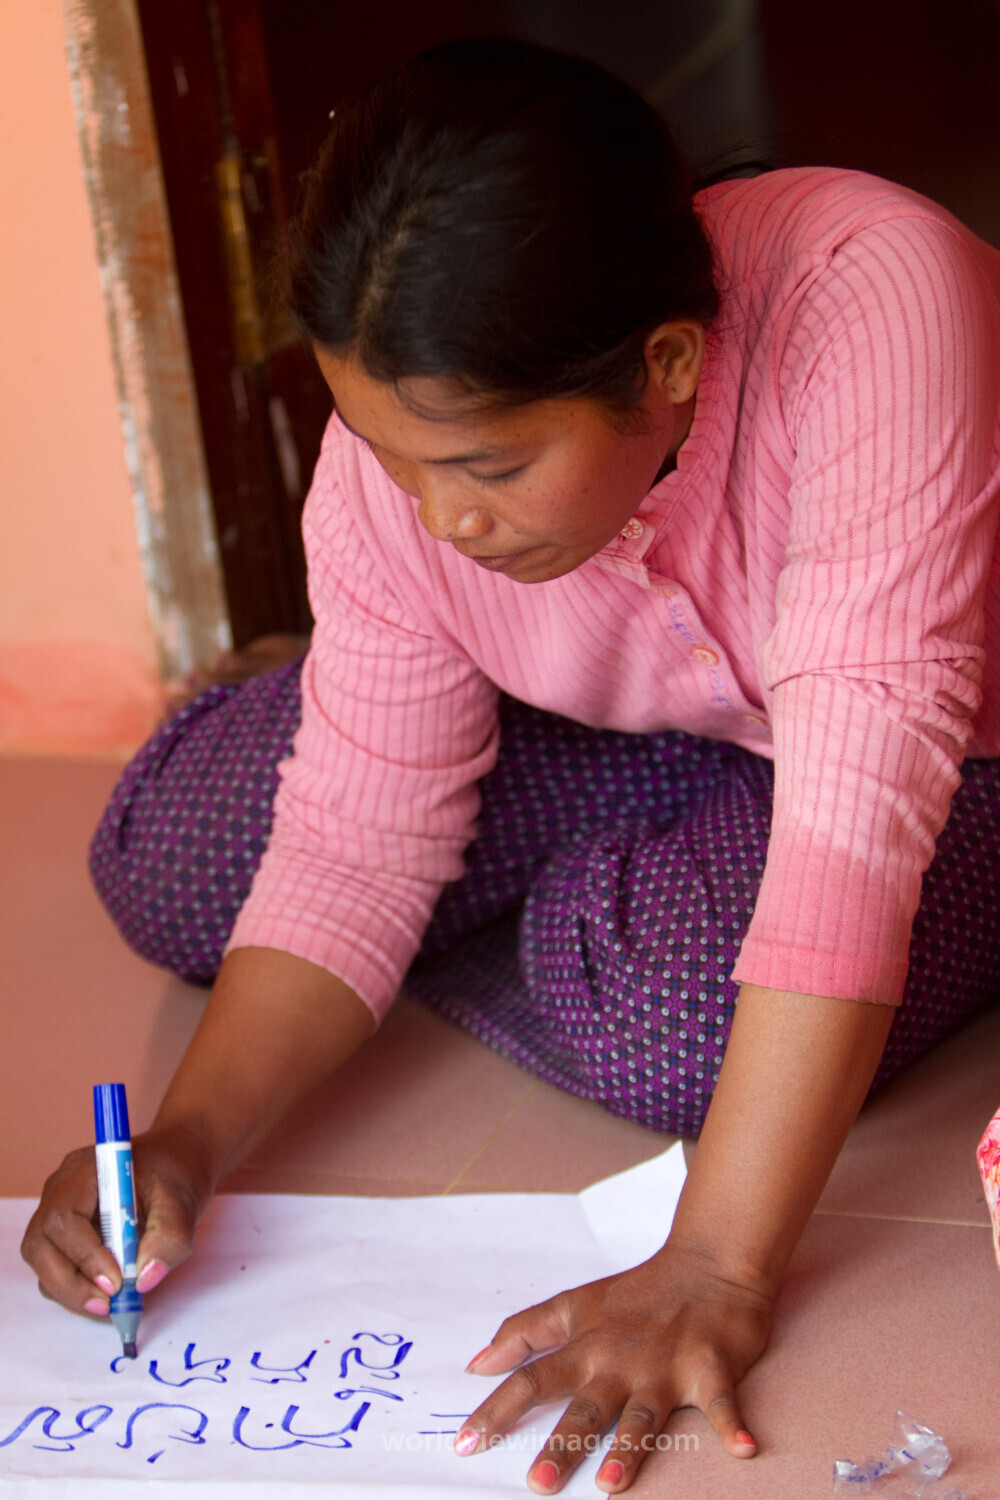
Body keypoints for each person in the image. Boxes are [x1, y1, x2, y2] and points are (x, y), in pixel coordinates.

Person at [22, 37, 1000, 1495]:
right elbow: (352, 836)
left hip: (949, 754)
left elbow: (855, 829)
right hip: (688, 730)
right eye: (387, 453)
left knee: (665, 1013)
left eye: (484, 470)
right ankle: (614, 887)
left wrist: (720, 1262)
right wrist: (191, 1141)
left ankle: (621, 911)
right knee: (173, 850)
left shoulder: (876, 297)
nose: (438, 522)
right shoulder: (416, 473)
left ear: (668, 365)